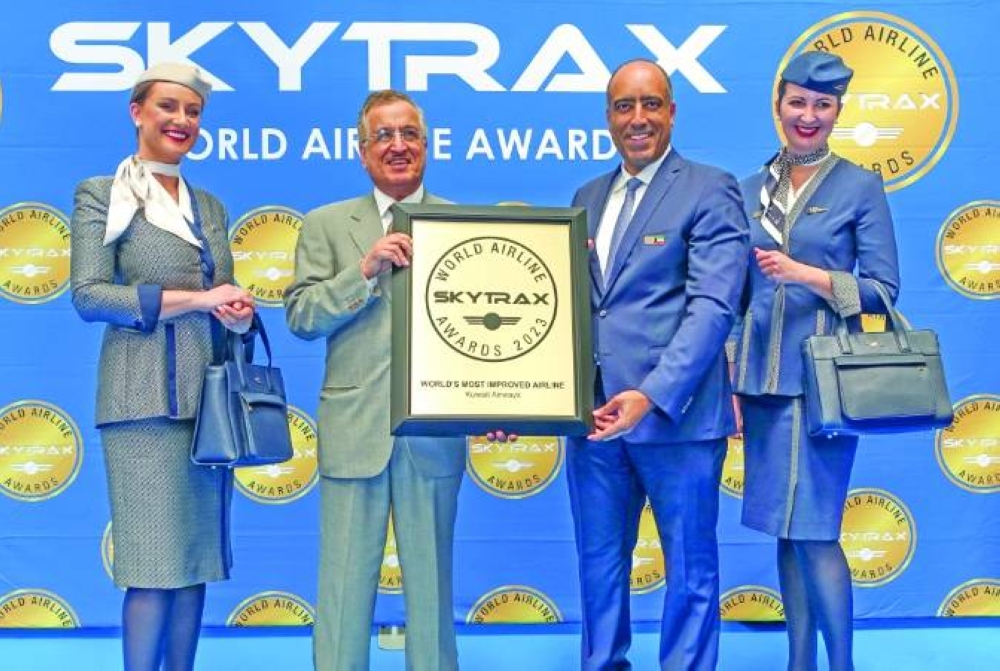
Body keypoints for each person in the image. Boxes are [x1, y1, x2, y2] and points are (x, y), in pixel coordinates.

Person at [70, 62, 255, 671]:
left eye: (192, 112)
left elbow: (216, 294)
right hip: (140, 405)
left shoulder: (210, 206)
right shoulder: (102, 194)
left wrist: (233, 313)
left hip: (208, 408)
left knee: (193, 563)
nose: (181, 120)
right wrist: (197, 301)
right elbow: (90, 296)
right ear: (137, 112)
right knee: (152, 567)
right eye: (168, 107)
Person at [567, 59, 749, 670]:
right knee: (598, 566)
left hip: (678, 419)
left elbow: (713, 306)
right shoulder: (587, 198)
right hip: (595, 422)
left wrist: (651, 394)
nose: (638, 118)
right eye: (624, 106)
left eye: (651, 104)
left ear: (672, 112)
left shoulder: (710, 188)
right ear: (608, 118)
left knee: (691, 571)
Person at [284, 90, 466, 671]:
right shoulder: (326, 224)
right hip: (353, 430)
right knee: (342, 589)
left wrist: (495, 405)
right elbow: (301, 316)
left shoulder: (464, 226)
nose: (398, 145)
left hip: (433, 434)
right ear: (362, 152)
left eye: (409, 133)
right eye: (383, 136)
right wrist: (362, 271)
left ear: (427, 147)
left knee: (432, 591)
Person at [732, 51, 900, 671]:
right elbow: (733, 299)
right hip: (762, 387)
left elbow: (883, 290)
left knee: (816, 529)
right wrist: (731, 380)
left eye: (822, 105)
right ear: (778, 104)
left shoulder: (859, 186)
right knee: (787, 529)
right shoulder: (749, 190)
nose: (808, 115)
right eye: (798, 102)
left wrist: (807, 274)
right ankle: (799, 662)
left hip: (824, 387)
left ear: (838, 111)